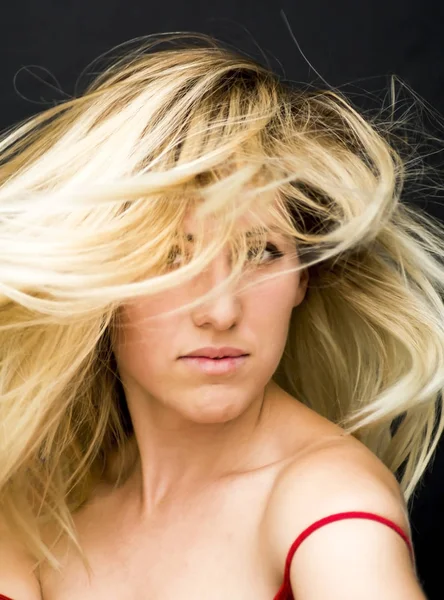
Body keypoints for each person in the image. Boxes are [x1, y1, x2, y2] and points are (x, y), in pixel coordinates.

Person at [0, 31, 442, 599]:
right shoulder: (41, 502)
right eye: (171, 257)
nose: (221, 309)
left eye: (261, 253)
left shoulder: (334, 511)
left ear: (303, 276)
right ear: (101, 275)